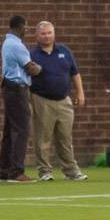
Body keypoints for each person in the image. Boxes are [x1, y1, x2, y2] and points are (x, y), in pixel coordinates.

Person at [28, 20, 87, 182]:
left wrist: (80, 93)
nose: (47, 36)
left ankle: (71, 171)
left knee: (65, 137)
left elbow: (75, 73)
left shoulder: (64, 51)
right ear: (37, 36)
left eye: (49, 33)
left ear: (54, 34)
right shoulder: (32, 55)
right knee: (43, 138)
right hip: (42, 99)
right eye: (43, 34)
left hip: (64, 100)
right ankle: (44, 171)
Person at [0, 14, 41, 183]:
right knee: (21, 130)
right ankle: (16, 171)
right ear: (20, 27)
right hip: (17, 89)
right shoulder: (16, 45)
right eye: (26, 26)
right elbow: (30, 68)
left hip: (9, 88)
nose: (27, 29)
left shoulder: (7, 43)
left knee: (9, 131)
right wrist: (38, 68)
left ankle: (5, 170)